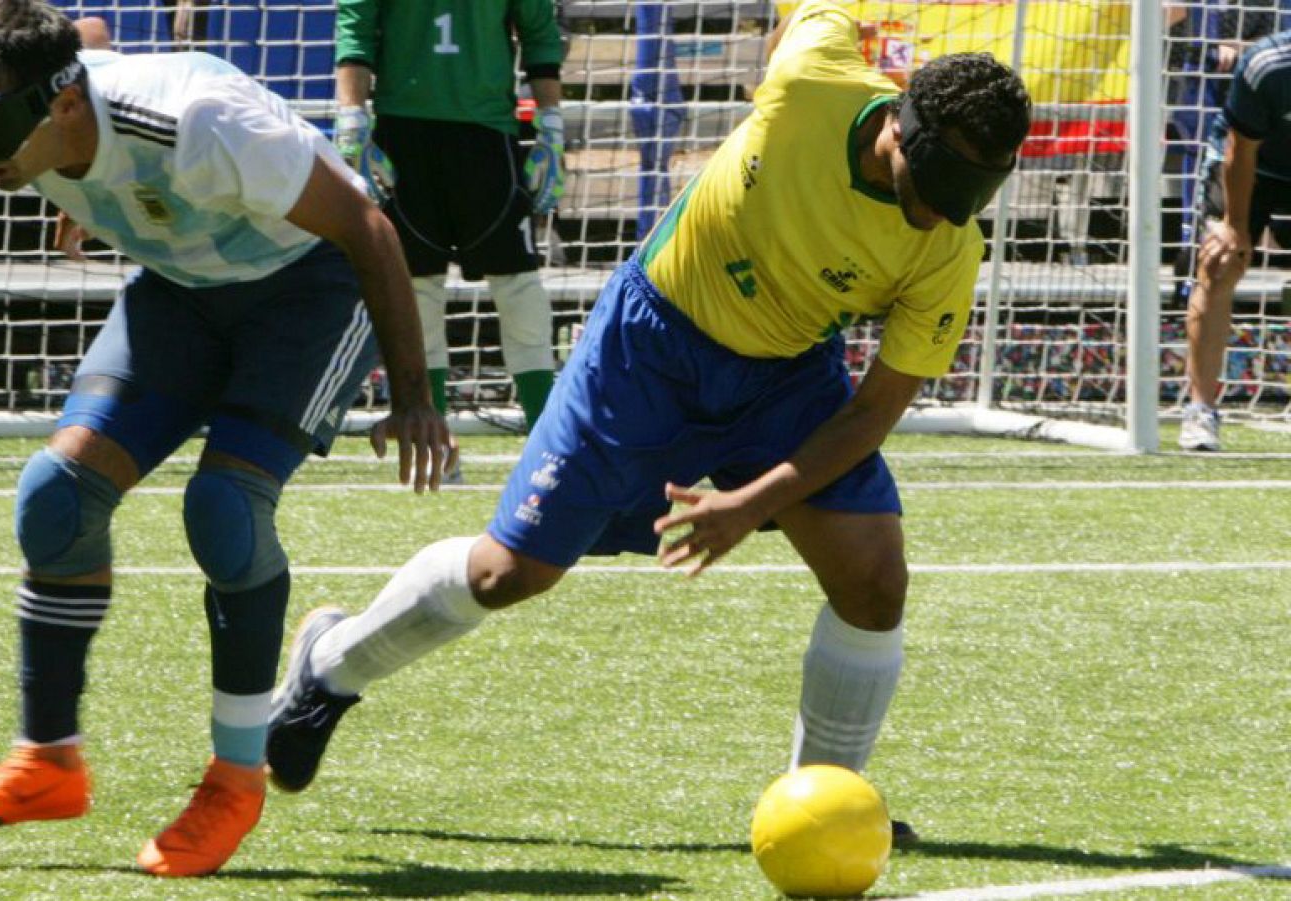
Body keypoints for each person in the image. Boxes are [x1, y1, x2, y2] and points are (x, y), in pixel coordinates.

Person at [265, 0, 1030, 840]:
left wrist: (754, 499)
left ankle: (828, 800)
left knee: (876, 581)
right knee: (506, 573)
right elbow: (817, 14)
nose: (940, 215)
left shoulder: (949, 246)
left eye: (967, 200)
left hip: (786, 381)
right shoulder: (810, 79)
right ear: (897, 128)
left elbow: (873, 412)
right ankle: (329, 665)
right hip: (650, 343)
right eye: (935, 189)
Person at [0, 0, 454, 879]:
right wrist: (92, 192)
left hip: (308, 292)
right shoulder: (51, 117)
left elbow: (367, 227)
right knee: (56, 500)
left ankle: (235, 780)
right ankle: (47, 760)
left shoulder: (202, 124)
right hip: (180, 288)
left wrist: (417, 395)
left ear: (63, 106)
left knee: (225, 511)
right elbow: (84, 42)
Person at [334, 0, 566, 466]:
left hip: (487, 135)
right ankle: (432, 437)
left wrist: (552, 127)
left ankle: (549, 445)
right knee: (417, 288)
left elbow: (539, 30)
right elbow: (355, 26)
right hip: (405, 131)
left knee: (520, 286)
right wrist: (351, 119)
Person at [1181, 27, 1291, 451]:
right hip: (1252, 164)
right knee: (1221, 262)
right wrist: (1235, 226)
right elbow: (1240, 150)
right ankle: (1200, 410)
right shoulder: (1270, 65)